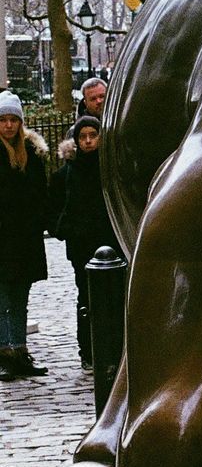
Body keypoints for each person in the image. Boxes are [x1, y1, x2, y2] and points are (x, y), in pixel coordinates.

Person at [50, 116, 121, 371]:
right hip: (82, 247)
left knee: (115, 297)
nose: (89, 141)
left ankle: (115, 349)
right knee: (87, 299)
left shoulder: (111, 168)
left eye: (93, 135)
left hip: (111, 242)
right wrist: (63, 228)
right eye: (83, 137)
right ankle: (88, 350)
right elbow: (54, 206)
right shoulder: (67, 173)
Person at [0, 91, 50, 380]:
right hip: (4, 238)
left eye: (13, 120)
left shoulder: (31, 154)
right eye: (3, 120)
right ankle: (6, 351)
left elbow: (39, 194)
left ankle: (19, 349)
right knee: (3, 298)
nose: (8, 126)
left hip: (25, 238)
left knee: (20, 298)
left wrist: (39, 220)